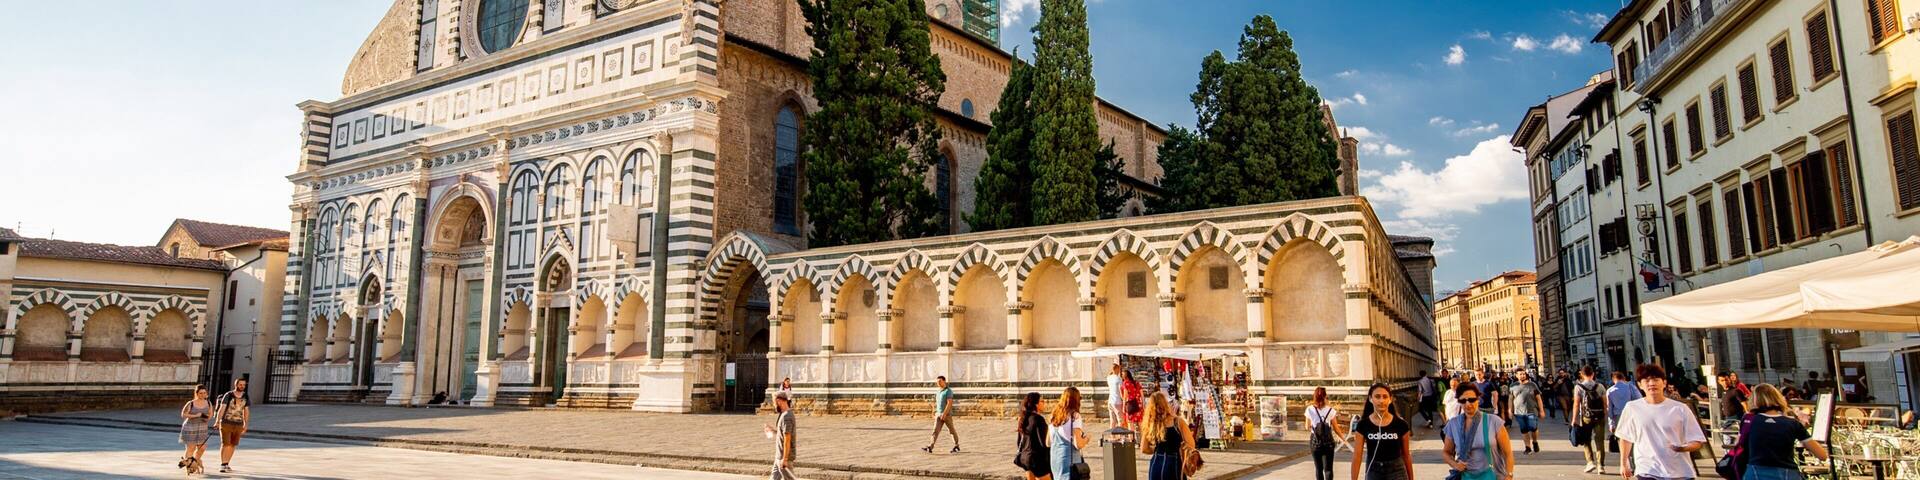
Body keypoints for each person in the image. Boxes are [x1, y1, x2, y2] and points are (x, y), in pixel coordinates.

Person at [1614, 364, 1706, 480]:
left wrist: (1683, 448)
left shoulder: (1680, 409)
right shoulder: (1632, 408)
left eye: (1656, 380)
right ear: (1640, 385)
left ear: (1664, 383)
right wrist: (1623, 464)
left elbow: (1697, 441)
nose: (1652, 383)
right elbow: (1625, 438)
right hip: (1647, 470)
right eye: (1646, 380)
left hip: (1680, 472)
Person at [1741, 384, 1829, 480]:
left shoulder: (1748, 421)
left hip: (1755, 473)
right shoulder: (1792, 423)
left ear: (1754, 400)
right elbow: (1822, 455)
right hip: (1787, 474)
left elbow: (1740, 445)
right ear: (1778, 398)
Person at [1444, 383, 1515, 480]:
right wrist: (1455, 465)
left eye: (1472, 400)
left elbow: (1508, 453)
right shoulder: (1453, 424)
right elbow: (1446, 452)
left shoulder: (1493, 421)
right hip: (1466, 477)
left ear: (1478, 399)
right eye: (1463, 401)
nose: (1468, 404)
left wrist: (1509, 475)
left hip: (1493, 476)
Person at [1350, 383, 1413, 480]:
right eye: (1377, 396)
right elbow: (1357, 456)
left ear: (1390, 399)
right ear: (1370, 399)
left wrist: (1411, 478)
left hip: (1397, 471)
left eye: (1385, 397)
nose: (1381, 400)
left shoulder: (1401, 424)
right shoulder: (1363, 425)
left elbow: (1406, 455)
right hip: (1373, 470)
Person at [1141, 391, 1197, 480]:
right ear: (1166, 404)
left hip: (1156, 463)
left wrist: (1158, 450)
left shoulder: (1150, 423)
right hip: (1174, 464)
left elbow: (1144, 448)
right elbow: (1191, 444)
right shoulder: (1178, 422)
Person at [1571, 366, 1608, 474]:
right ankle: (1601, 466)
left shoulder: (1578, 387)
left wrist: (1574, 419)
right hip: (1599, 416)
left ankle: (1590, 462)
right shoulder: (1600, 386)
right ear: (1593, 374)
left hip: (1586, 417)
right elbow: (1605, 404)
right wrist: (1605, 415)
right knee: (1599, 441)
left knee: (1586, 440)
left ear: (1582, 375)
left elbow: (1576, 404)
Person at [1048, 386, 1090, 480]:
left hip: (1055, 459)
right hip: (1069, 460)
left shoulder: (1053, 416)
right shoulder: (1075, 416)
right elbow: (1078, 444)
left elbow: (1048, 442)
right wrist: (1087, 439)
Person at [1305, 387, 1347, 480]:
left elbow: (1307, 427)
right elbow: (1336, 428)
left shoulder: (1309, 409)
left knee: (1318, 469)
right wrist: (1343, 439)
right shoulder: (1330, 410)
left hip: (1315, 442)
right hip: (1328, 442)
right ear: (1325, 397)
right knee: (1328, 469)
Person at [211, 378, 250, 473]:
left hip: (239, 424)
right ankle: (222, 464)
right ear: (236, 385)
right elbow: (222, 408)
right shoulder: (228, 395)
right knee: (226, 443)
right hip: (226, 422)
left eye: (244, 385)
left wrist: (246, 424)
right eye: (240, 384)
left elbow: (246, 411)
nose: (242, 386)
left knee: (233, 444)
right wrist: (217, 421)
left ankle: (227, 463)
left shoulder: (245, 396)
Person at [1014, 392, 1052, 480]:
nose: (1044, 403)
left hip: (1025, 457)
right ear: (1036, 404)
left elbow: (1019, 441)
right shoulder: (1038, 419)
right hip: (1037, 459)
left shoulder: (1023, 418)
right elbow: (1044, 442)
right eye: (1042, 401)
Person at [1604, 370, 1642, 455]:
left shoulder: (1610, 391)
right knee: (1633, 436)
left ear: (1613, 379)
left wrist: (1611, 423)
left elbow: (1609, 409)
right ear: (1623, 378)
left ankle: (1625, 457)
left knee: (1622, 438)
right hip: (1631, 415)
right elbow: (1639, 399)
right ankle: (1633, 456)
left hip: (1618, 417)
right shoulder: (1630, 386)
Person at [178, 385, 213, 475]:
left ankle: (195, 461)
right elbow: (183, 414)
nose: (203, 395)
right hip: (190, 427)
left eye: (204, 393)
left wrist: (207, 418)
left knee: (202, 447)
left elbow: (210, 414)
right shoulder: (191, 403)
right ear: (196, 393)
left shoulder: (208, 403)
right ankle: (189, 467)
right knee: (191, 448)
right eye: (200, 393)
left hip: (202, 427)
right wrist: (195, 415)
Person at [1507, 370, 1544, 454]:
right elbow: (1510, 399)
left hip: (1532, 410)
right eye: (1520, 374)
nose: (1523, 375)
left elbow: (1538, 398)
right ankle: (1528, 447)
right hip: (1518, 412)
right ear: (1516, 375)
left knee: (1533, 428)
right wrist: (1510, 410)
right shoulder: (1513, 386)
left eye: (1524, 374)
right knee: (1524, 430)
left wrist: (1541, 410)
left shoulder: (1532, 385)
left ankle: (1535, 441)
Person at [764, 391, 798, 480]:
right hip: (779, 456)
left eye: (774, 402)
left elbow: (787, 439)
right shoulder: (783, 414)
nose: (774, 405)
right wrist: (773, 430)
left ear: (779, 401)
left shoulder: (787, 416)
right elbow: (782, 433)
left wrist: (785, 459)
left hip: (784, 457)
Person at [923, 376, 961, 453]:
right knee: (935, 430)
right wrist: (935, 412)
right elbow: (937, 403)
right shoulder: (938, 391)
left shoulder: (948, 391)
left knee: (951, 430)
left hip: (947, 415)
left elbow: (949, 403)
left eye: (940, 381)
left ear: (944, 381)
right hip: (938, 414)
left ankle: (956, 445)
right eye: (937, 382)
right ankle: (930, 446)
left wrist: (944, 413)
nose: (938, 383)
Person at [1107, 363, 1128, 430]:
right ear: (1116, 369)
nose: (1119, 371)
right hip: (1117, 401)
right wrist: (1124, 400)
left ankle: (1112, 434)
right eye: (1119, 369)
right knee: (1120, 420)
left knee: (1112, 421)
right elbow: (1120, 390)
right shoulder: (1118, 379)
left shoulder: (1108, 378)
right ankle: (1120, 434)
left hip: (1110, 401)